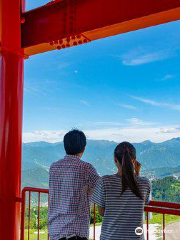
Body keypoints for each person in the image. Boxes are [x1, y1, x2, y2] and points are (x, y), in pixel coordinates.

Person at [91, 142, 151, 240]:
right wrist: (137, 174)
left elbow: (101, 212)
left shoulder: (104, 181)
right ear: (134, 160)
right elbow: (142, 203)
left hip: (110, 236)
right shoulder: (145, 183)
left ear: (115, 159)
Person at [48, 129, 99, 240]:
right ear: (83, 149)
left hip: (54, 230)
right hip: (76, 232)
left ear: (65, 146)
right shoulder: (86, 168)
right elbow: (101, 189)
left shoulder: (53, 167)